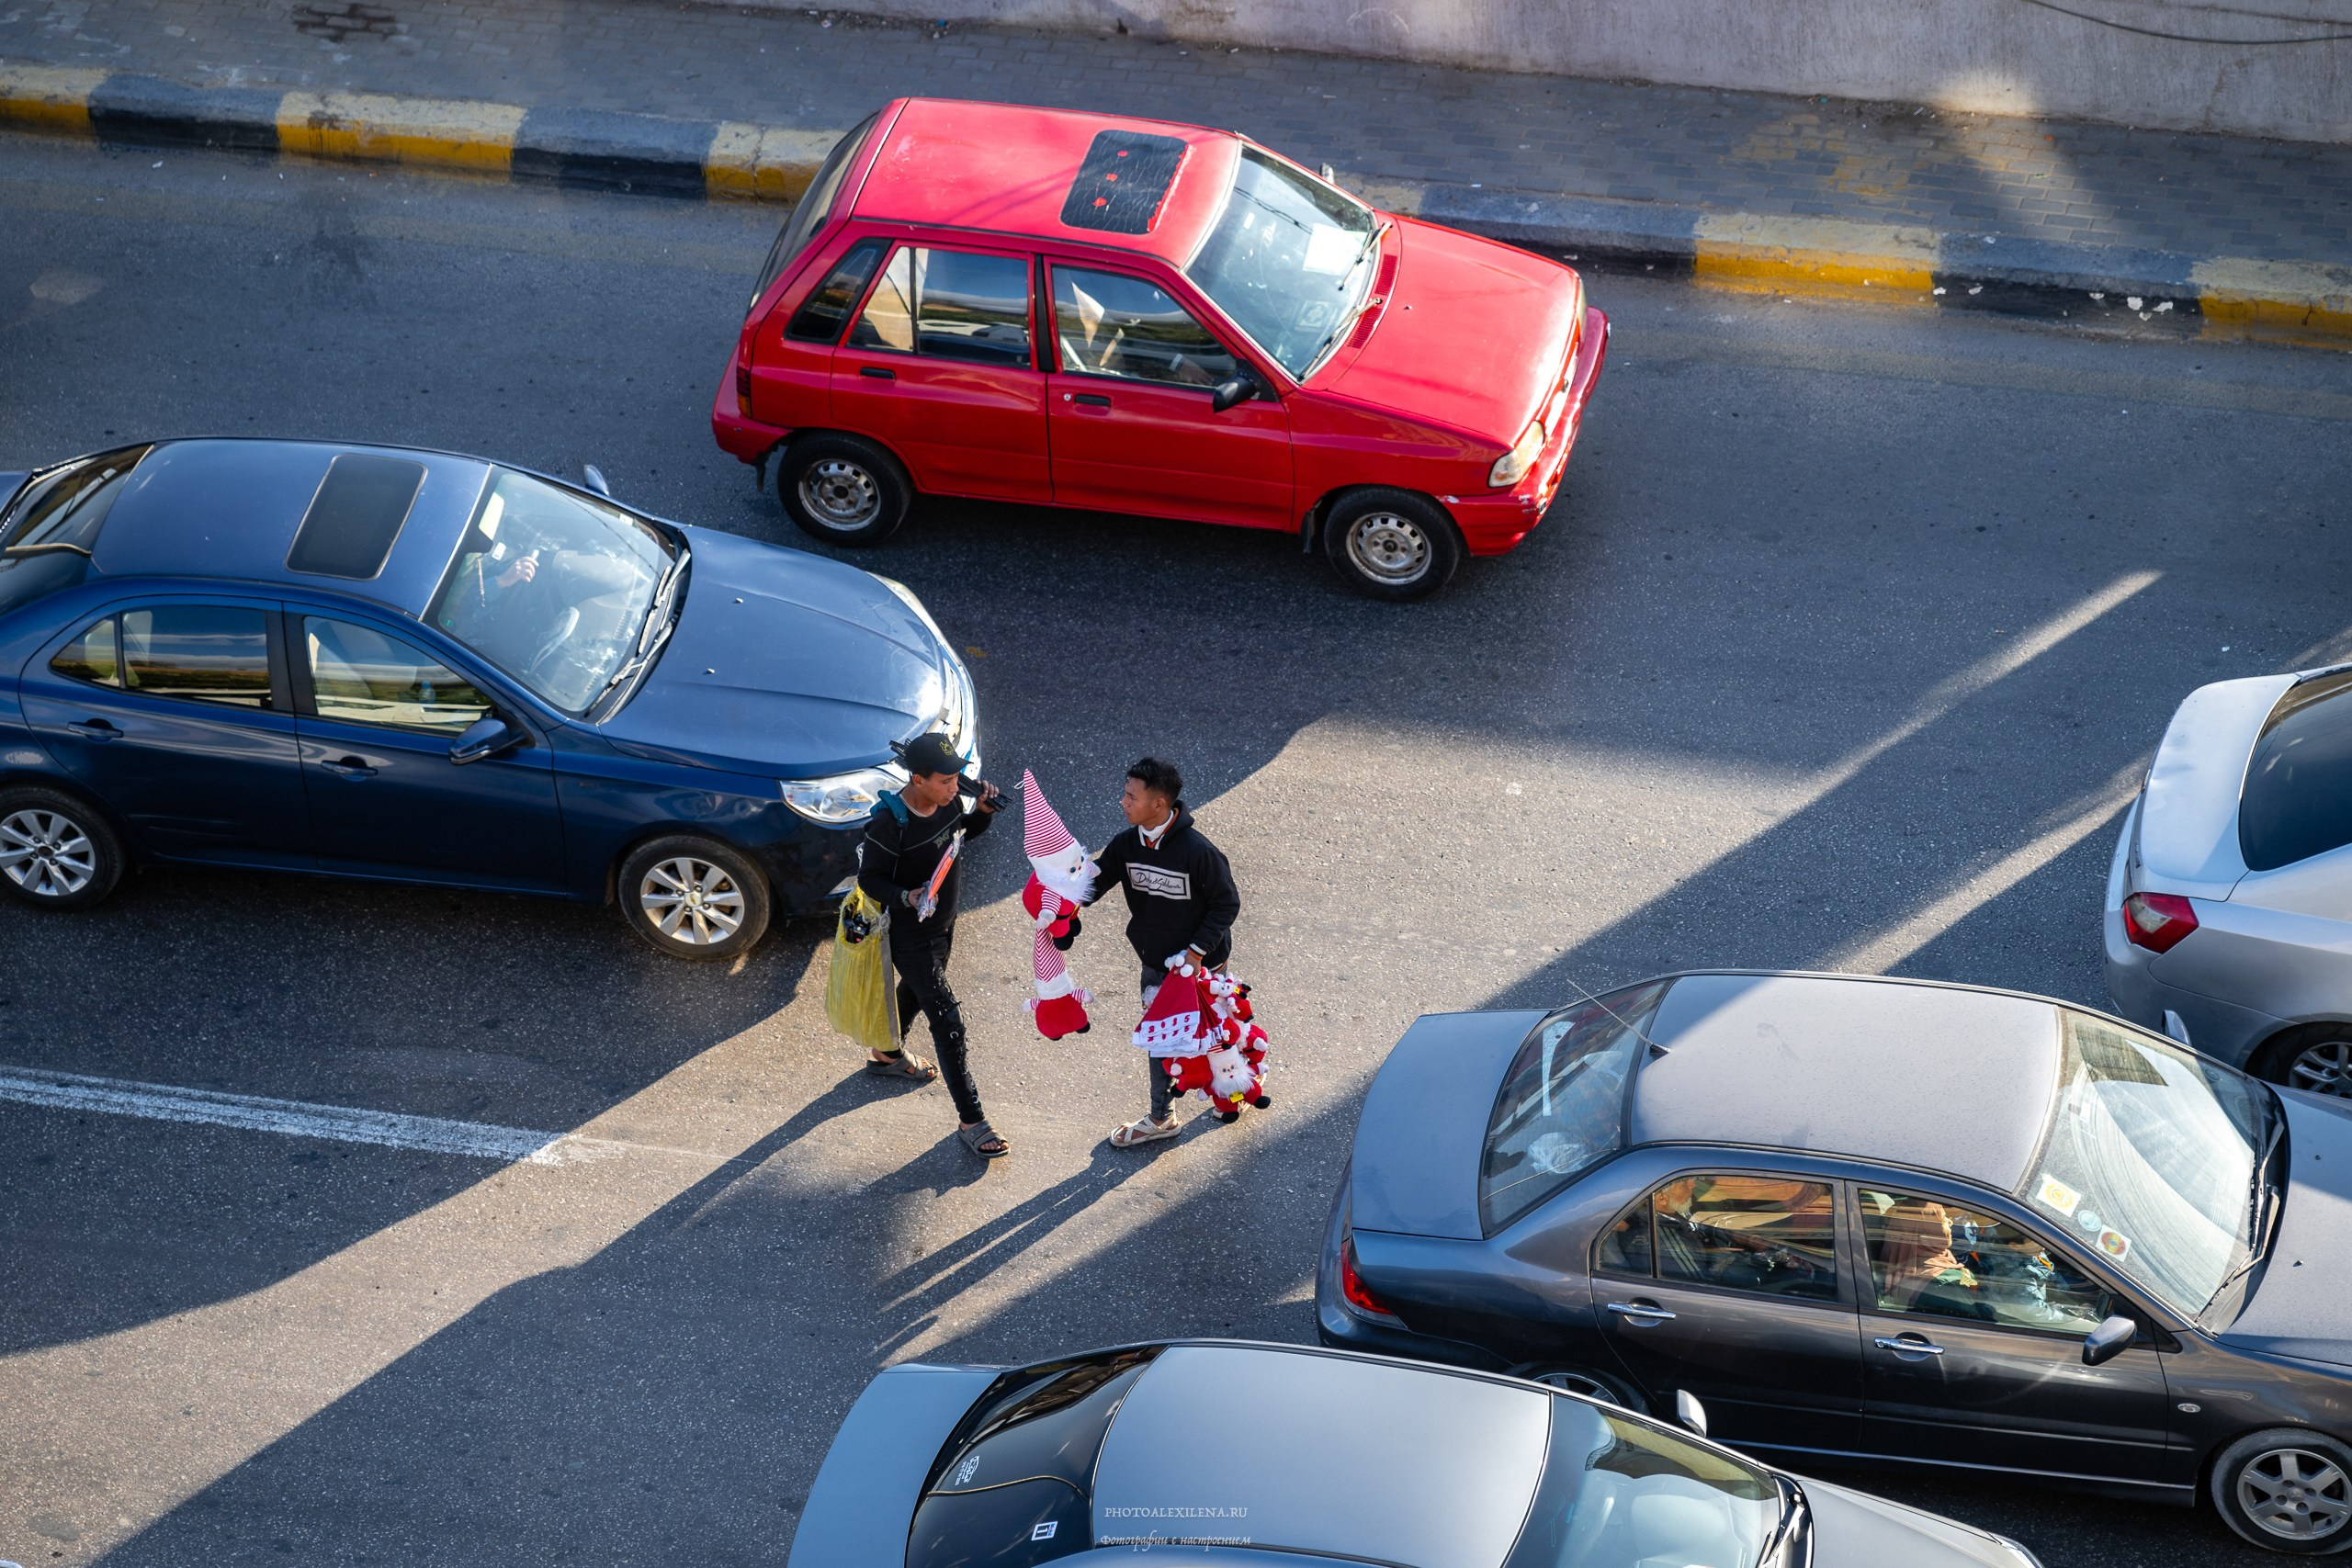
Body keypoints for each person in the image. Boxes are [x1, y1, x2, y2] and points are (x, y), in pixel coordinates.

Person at [855, 732, 1008, 1159]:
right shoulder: (889, 823)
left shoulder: (951, 802)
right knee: (948, 1021)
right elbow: (870, 879)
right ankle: (972, 1120)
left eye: (958, 778)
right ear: (918, 780)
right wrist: (907, 896)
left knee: (919, 990)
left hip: (944, 925)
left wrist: (982, 813)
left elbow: (958, 836)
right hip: (910, 934)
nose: (955, 787)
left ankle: (887, 1053)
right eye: (945, 781)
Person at [1084, 757, 1241, 1149]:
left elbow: (1227, 904)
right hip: (1157, 964)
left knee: (1212, 1031)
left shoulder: (1198, 851)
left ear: (1159, 804)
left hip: (1202, 962)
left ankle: (1223, 1093)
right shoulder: (1125, 845)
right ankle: (1172, 1112)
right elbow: (1093, 886)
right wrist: (1058, 895)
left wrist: (1195, 952)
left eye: (1130, 796)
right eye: (1125, 793)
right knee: (1163, 1039)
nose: (1122, 802)